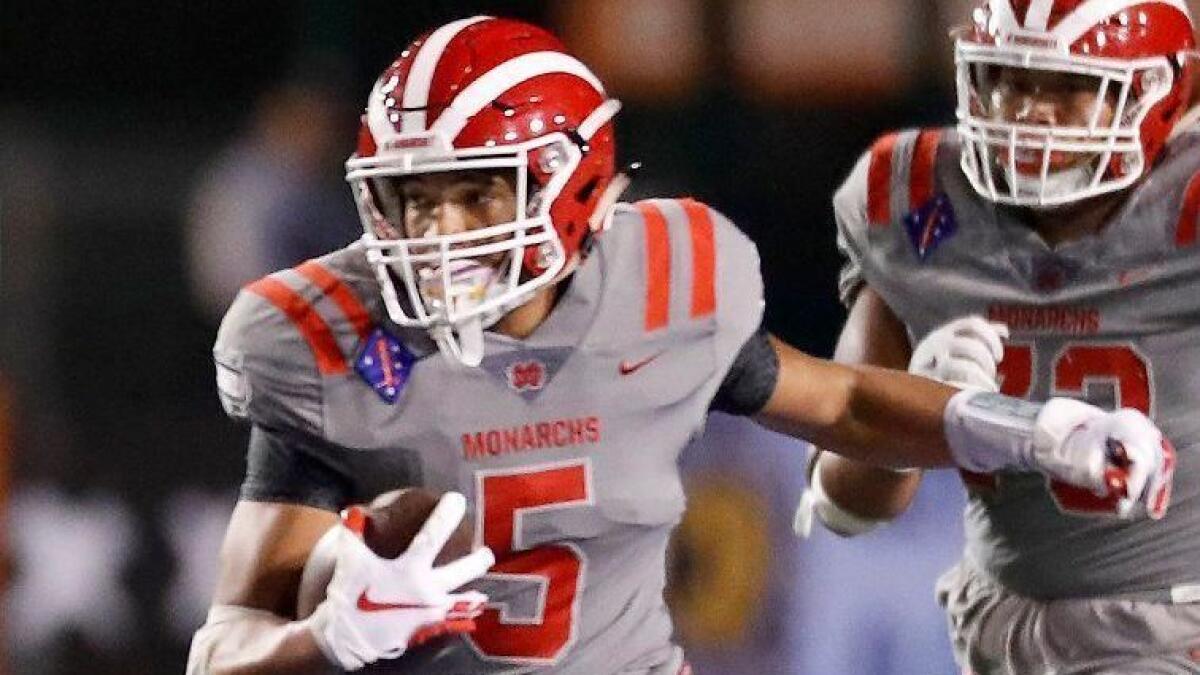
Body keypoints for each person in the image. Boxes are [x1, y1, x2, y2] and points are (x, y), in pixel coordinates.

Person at [186, 15, 1173, 675]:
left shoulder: (658, 285)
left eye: (476, 193)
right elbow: (225, 641)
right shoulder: (330, 342)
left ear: (573, 186)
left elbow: (846, 404)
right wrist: (326, 637)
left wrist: (1036, 430)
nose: (440, 234)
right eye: (414, 199)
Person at [800, 1, 1200, 672]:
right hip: (1000, 623)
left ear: (1154, 93)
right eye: (1010, 79)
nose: (1028, 111)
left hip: (1175, 616)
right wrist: (916, 414)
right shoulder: (917, 197)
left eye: (1070, 86)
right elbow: (845, 503)